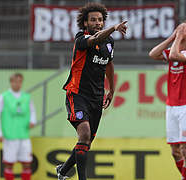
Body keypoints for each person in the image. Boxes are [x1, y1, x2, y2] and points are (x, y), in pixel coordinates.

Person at [56, 2, 127, 180]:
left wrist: (111, 90)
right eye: (93, 20)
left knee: (86, 141)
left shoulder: (109, 42)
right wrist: (113, 28)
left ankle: (63, 171)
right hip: (77, 94)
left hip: (97, 97)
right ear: (85, 23)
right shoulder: (81, 38)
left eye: (100, 20)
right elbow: (95, 40)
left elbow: (109, 65)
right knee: (85, 133)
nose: (97, 23)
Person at [149, 20, 186, 180]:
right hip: (171, 106)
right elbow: (153, 54)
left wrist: (177, 38)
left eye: (183, 28)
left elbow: (173, 55)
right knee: (175, 151)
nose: (178, 29)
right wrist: (173, 36)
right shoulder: (176, 46)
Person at [0, 73, 36, 180]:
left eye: (20, 81)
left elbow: (32, 110)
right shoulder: (3, 97)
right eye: (15, 81)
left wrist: (32, 120)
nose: (17, 84)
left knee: (26, 163)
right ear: (11, 82)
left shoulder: (27, 97)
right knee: (9, 164)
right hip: (9, 136)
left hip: (24, 135)